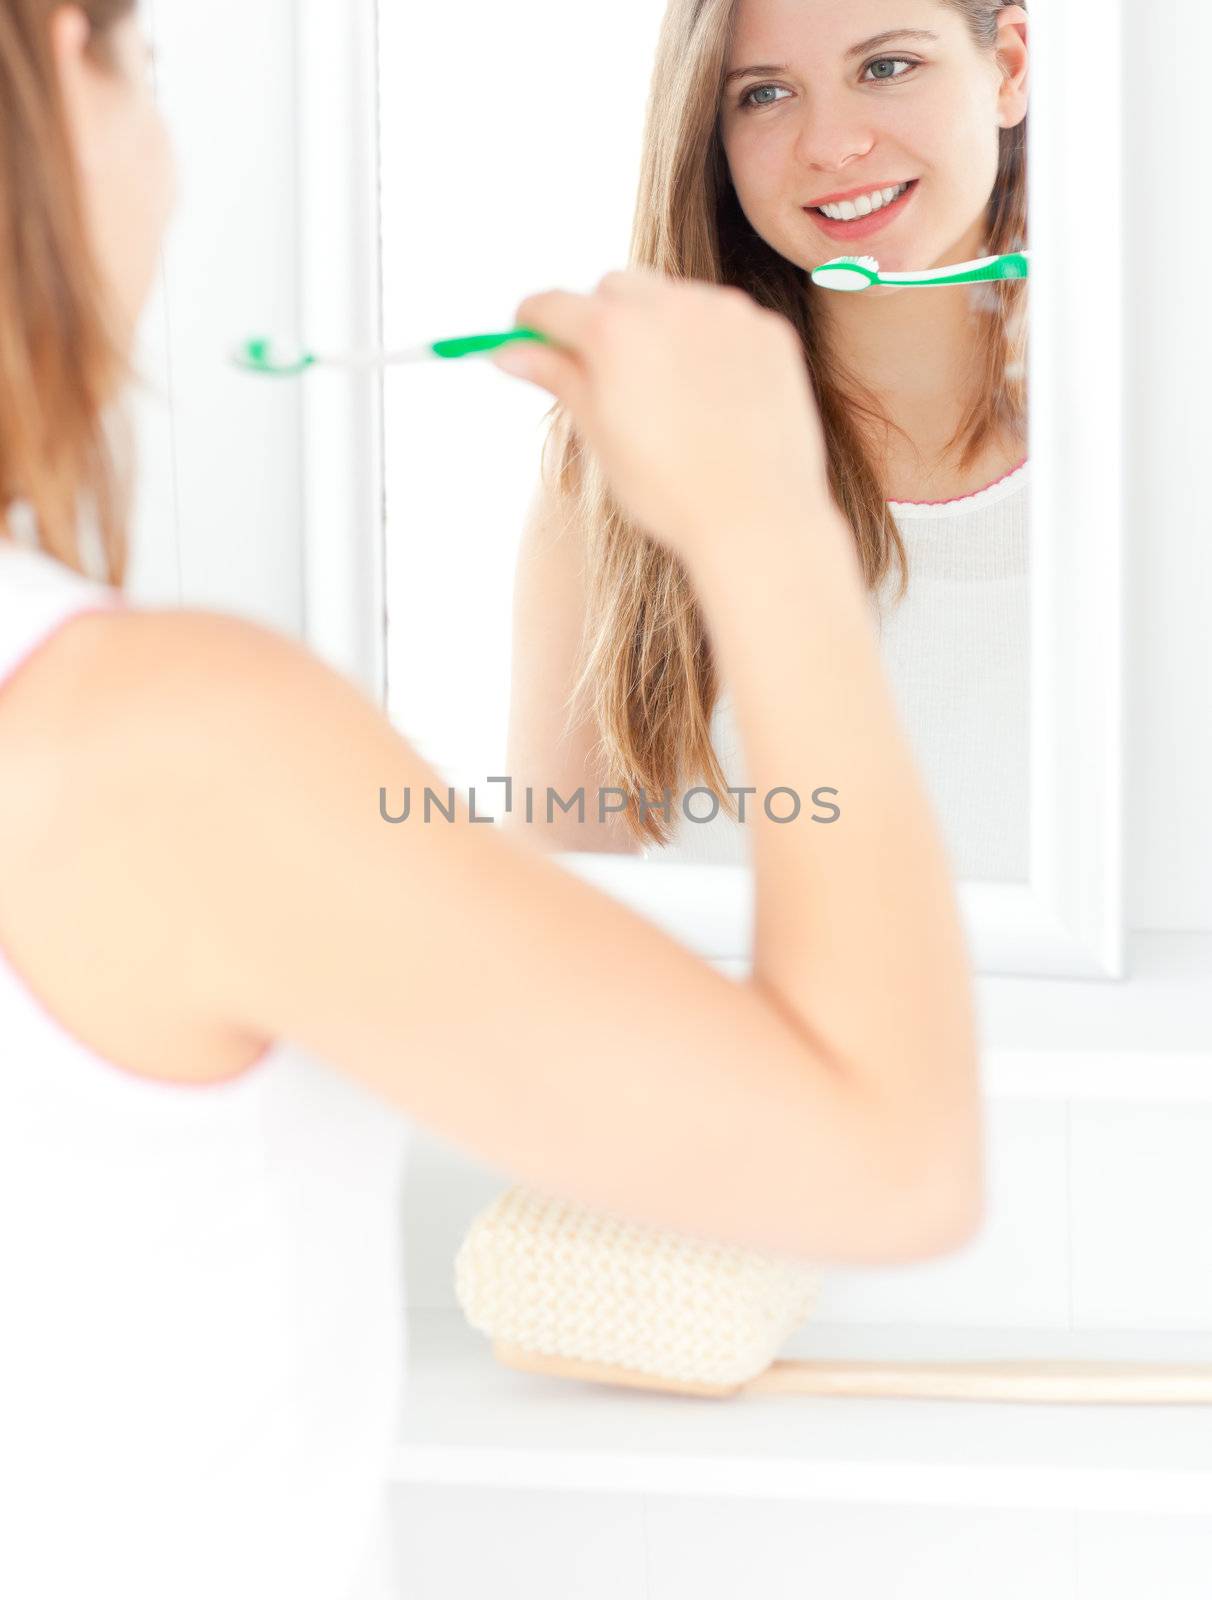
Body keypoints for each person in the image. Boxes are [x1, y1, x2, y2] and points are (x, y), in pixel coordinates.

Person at [0, 3, 983, 1596]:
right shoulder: (154, 744)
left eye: (888, 64)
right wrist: (764, 525)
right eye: (154, 71)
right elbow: (895, 1161)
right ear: (61, 57)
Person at [505, 0, 1030, 877]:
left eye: (887, 68)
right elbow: (560, 882)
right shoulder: (619, 451)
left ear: (1009, 66)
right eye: (765, 94)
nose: (832, 144)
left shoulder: (1158, 433)